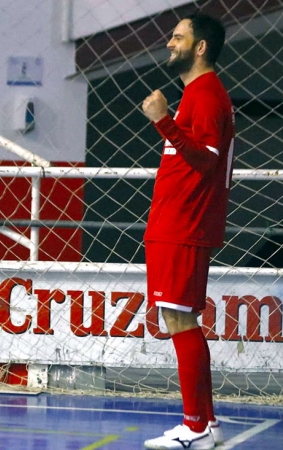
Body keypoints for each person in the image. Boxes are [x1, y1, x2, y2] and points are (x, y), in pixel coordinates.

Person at [141, 12, 234, 450]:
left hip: (184, 225)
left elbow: (207, 160)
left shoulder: (207, 94)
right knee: (183, 320)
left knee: (179, 320)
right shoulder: (197, 93)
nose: (169, 44)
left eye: (178, 37)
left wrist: (163, 121)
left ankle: (194, 426)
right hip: (176, 224)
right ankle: (208, 423)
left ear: (200, 47)